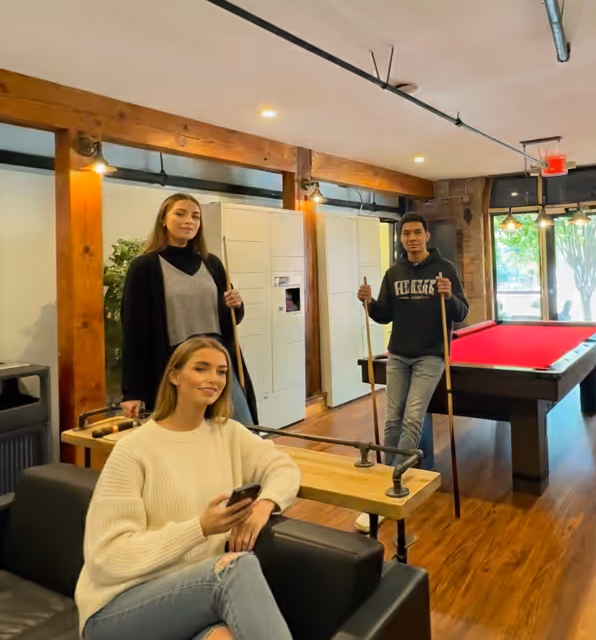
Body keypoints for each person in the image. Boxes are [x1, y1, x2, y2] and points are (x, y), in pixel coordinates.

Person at [76, 336, 300, 640]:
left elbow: (283, 467)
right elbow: (106, 559)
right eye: (201, 368)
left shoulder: (228, 434)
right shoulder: (133, 450)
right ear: (175, 376)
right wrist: (200, 528)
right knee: (234, 569)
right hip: (116, 610)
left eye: (221, 371)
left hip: (191, 599)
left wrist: (265, 505)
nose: (214, 379)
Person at [355, 212, 468, 532]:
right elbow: (384, 315)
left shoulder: (445, 269)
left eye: (417, 232)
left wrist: (448, 295)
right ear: (401, 238)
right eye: (406, 234)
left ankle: (392, 483)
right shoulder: (393, 272)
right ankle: (390, 479)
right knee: (392, 418)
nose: (412, 238)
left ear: (427, 236)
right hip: (398, 355)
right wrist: (368, 303)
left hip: (431, 356)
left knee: (413, 417)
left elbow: (461, 311)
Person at [120, 193, 258, 425]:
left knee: (240, 429)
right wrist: (132, 391)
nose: (189, 221)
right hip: (176, 367)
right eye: (180, 214)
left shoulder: (212, 263)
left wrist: (236, 304)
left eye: (195, 216)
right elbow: (134, 333)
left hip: (218, 361)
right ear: (163, 219)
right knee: (188, 433)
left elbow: (231, 320)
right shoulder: (145, 268)